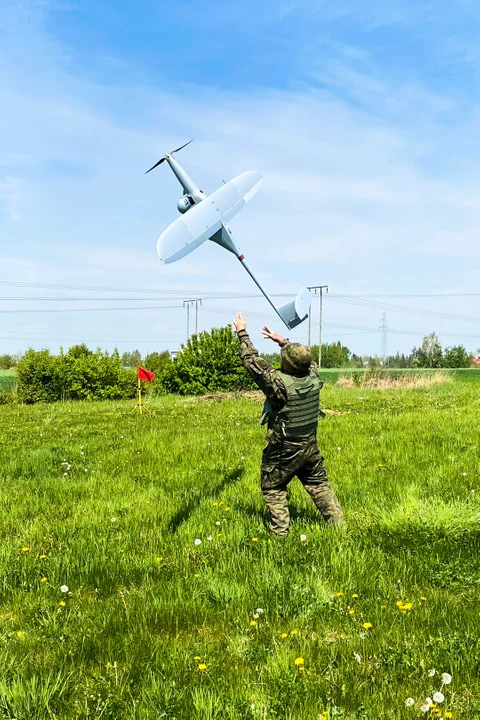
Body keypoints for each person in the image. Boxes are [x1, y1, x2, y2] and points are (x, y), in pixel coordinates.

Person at [233, 312, 344, 536]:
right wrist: (283, 341)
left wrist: (241, 332)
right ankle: (338, 526)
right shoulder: (314, 375)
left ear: (287, 364)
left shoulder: (279, 386)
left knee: (273, 486)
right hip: (309, 445)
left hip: (284, 448)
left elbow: (253, 363)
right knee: (319, 484)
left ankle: (280, 533)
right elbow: (305, 359)